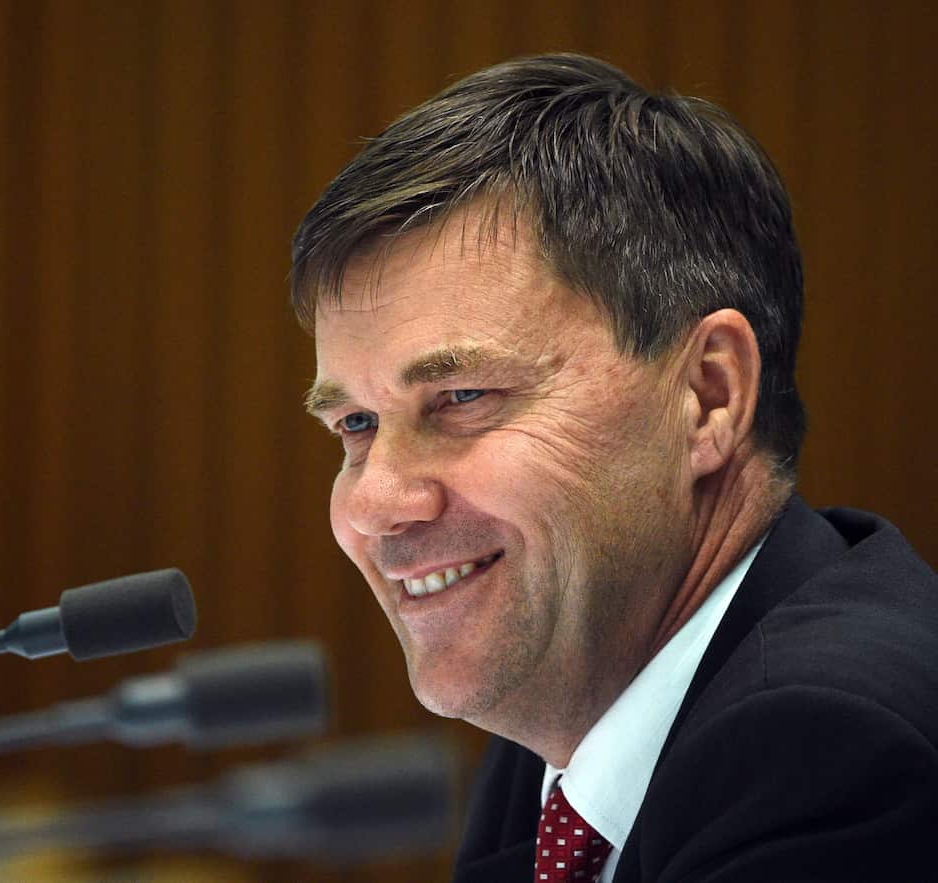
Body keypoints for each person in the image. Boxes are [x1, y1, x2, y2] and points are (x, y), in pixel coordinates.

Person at [290, 53, 938, 882]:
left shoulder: (831, 756)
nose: (376, 501)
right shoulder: (556, 732)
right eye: (355, 422)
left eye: (461, 397)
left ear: (707, 395)